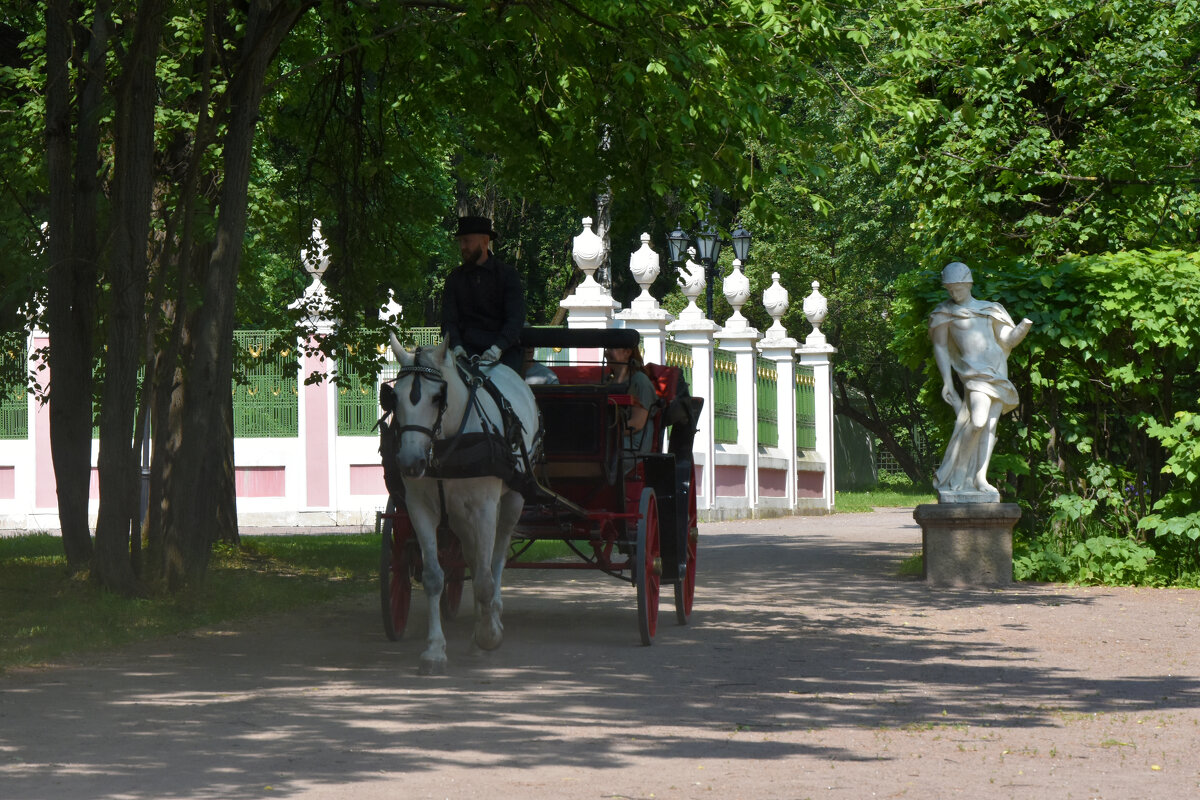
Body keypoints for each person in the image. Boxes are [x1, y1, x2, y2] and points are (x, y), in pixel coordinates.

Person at [929, 261, 1033, 500]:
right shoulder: (944, 314)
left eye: (958, 288)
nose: (954, 293)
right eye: (950, 289)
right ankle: (959, 475)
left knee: (990, 425)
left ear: (969, 284)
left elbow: (1007, 340)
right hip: (973, 375)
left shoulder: (990, 309)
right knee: (977, 421)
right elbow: (941, 348)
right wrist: (947, 381)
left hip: (997, 372)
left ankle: (980, 478)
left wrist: (1023, 327)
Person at [441, 215, 525, 373]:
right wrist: (457, 348)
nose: (462, 247)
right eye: (460, 241)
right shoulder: (454, 279)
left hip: (504, 353)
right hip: (465, 352)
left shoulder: (507, 275)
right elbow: (448, 321)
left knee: (505, 389)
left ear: (484, 241)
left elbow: (515, 319)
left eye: (467, 241)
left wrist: (497, 348)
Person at [604, 345, 658, 461]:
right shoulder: (608, 381)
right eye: (606, 349)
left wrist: (603, 432)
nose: (606, 353)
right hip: (613, 440)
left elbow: (636, 424)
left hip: (632, 446)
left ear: (627, 352)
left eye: (611, 349)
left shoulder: (640, 381)